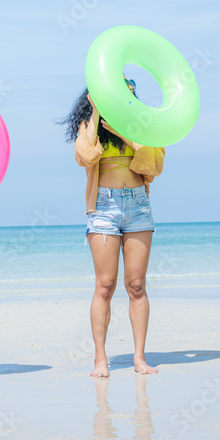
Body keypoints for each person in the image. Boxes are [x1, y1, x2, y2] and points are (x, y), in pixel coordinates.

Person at [59, 79, 165, 377]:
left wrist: (127, 134)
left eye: (132, 92)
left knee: (136, 285)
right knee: (105, 286)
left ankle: (140, 358)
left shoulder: (143, 126)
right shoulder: (89, 125)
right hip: (103, 207)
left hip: (138, 205)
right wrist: (95, 113)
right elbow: (86, 156)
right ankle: (100, 359)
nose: (127, 97)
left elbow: (153, 165)